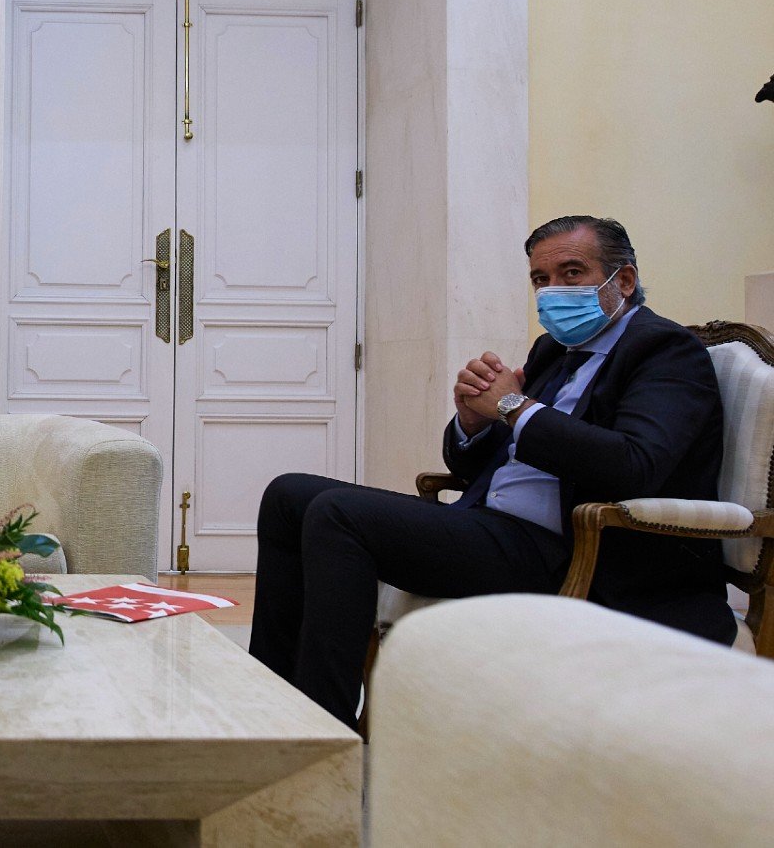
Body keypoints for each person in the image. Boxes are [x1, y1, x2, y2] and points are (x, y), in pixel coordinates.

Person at [250, 215, 734, 729]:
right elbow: (487, 458)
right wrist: (473, 420)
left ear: (625, 281)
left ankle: (321, 737)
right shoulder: (555, 350)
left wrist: (512, 404)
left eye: (572, 273)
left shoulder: (664, 351)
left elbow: (633, 466)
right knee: (288, 495)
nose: (554, 291)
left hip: (573, 552)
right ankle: (270, 711)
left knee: (338, 514)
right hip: (491, 525)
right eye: (541, 280)